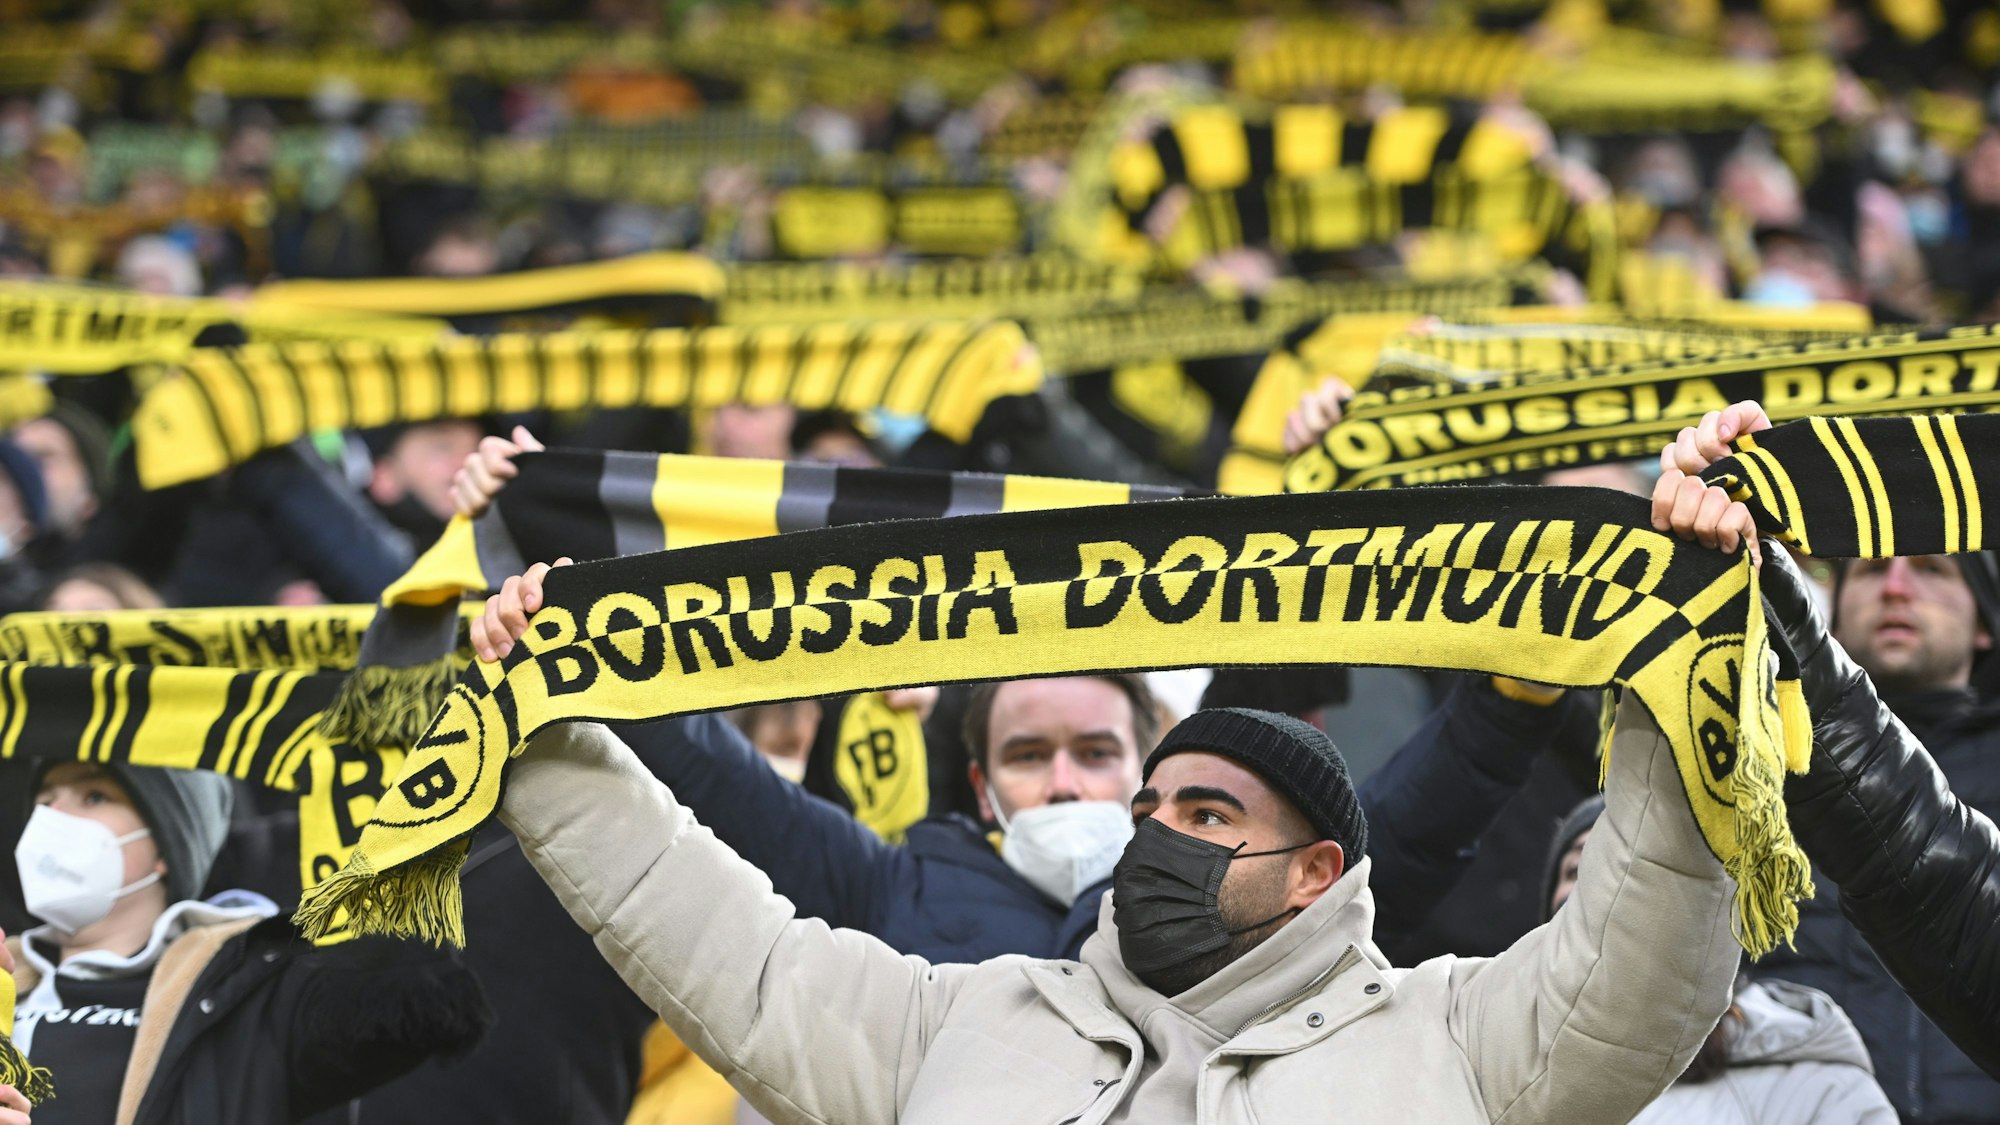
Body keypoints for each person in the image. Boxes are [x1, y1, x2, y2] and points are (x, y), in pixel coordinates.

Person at [469, 571, 1740, 1124]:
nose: (1154, 838)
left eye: (1207, 817)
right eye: (1153, 812)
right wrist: (538, 720)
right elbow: (700, 925)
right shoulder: (960, 1019)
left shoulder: (1454, 1037)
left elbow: (1645, 941)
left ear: (1315, 875)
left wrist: (1682, 649)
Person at [1657, 402, 2000, 1096]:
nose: (1897, 586)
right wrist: (1746, 569)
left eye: (1932, 569)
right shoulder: (1743, 741)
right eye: (1871, 572)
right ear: (1831, 610)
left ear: (1986, 626)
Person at [5, 761, 488, 1125]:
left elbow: (399, 982)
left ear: (166, 849)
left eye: (93, 796)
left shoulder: (255, 990)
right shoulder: (9, 974)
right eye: (44, 800)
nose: (53, 819)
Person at [1545, 796, 1898, 1125]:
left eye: (1631, 865)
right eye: (1578, 867)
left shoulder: (1814, 1091)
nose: (1599, 884)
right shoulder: (1497, 1070)